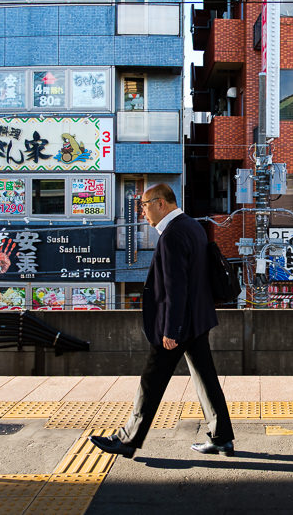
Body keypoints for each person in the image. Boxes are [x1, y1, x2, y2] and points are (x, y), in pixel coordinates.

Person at [90, 183, 235, 458]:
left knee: (151, 380)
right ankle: (222, 437)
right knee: (206, 378)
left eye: (144, 205)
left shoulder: (171, 235)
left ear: (161, 203)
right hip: (198, 319)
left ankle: (128, 439)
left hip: (178, 324)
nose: (142, 212)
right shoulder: (192, 226)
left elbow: (175, 287)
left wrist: (171, 330)